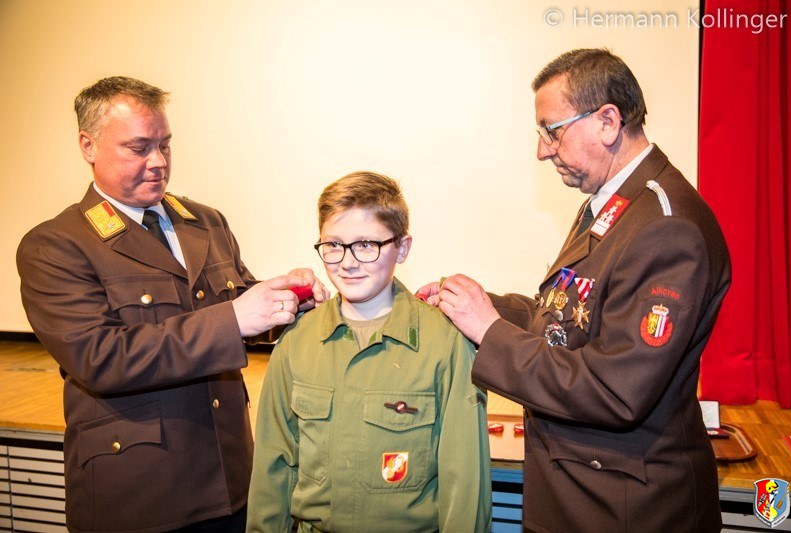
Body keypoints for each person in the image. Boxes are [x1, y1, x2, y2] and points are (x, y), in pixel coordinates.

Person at [419, 48, 731, 532]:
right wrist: (478, 307)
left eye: (552, 131)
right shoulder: (614, 202)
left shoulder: (666, 227)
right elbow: (569, 317)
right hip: (582, 493)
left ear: (607, 121)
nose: (542, 150)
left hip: (624, 509)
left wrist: (491, 331)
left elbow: (614, 390)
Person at [16, 76, 327, 533]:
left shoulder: (203, 221)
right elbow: (101, 358)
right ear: (88, 145)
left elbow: (235, 305)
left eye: (165, 144)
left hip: (232, 478)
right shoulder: (57, 245)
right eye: (139, 147)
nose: (159, 161)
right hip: (143, 493)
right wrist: (235, 318)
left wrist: (286, 301)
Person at [247, 171, 492, 532]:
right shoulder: (297, 342)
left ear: (402, 248)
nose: (347, 262)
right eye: (333, 245)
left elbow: (465, 481)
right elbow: (273, 470)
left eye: (365, 245)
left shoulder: (445, 343)